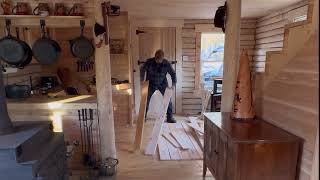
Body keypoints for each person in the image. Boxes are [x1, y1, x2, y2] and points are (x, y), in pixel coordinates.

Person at [140, 49, 177, 123]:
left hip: (162, 83)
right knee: (145, 101)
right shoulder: (149, 62)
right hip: (150, 83)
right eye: (157, 59)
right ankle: (143, 118)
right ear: (155, 57)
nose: (158, 61)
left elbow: (173, 74)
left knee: (168, 100)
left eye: (160, 60)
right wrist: (142, 80)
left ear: (163, 58)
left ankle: (170, 117)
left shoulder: (166, 63)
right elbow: (142, 69)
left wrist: (173, 84)